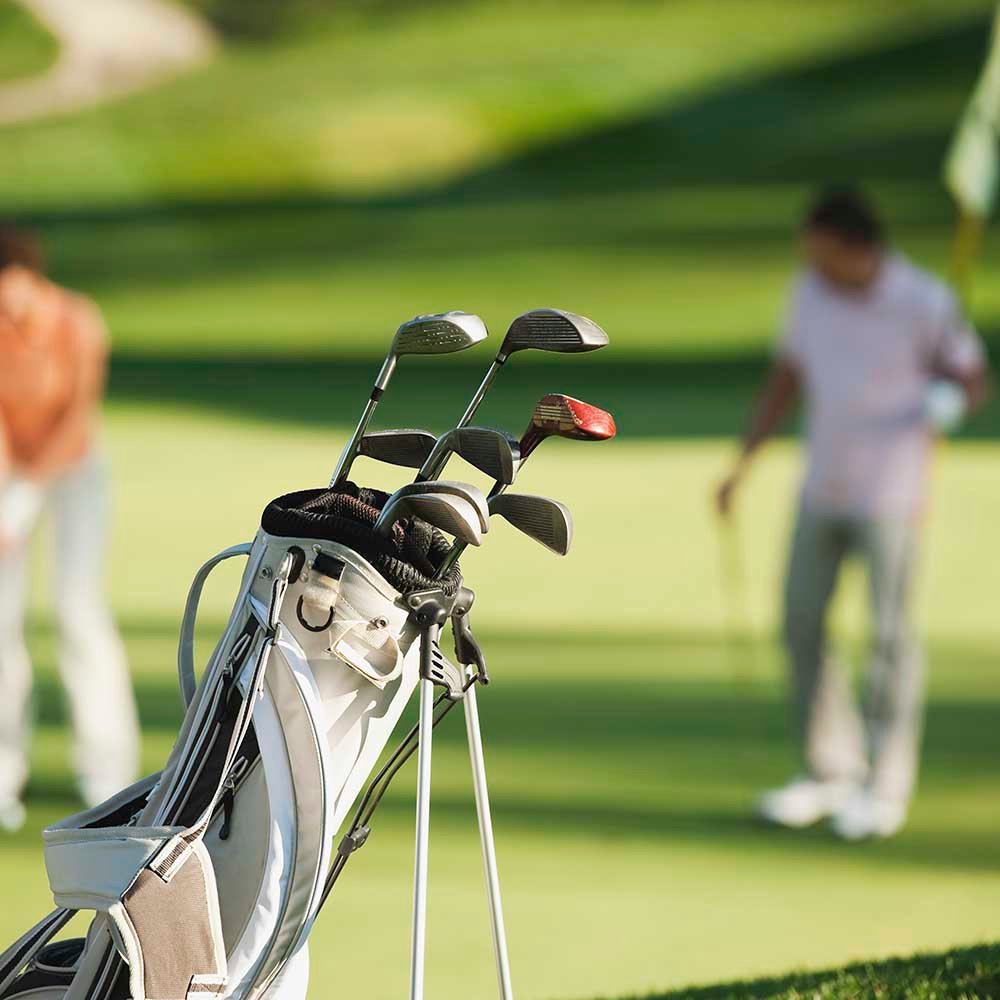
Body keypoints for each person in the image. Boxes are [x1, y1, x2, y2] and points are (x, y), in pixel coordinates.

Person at [715, 189, 989, 841]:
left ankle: (884, 786)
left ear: (858, 248)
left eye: (822, 253)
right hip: (823, 487)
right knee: (801, 622)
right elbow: (787, 379)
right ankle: (828, 770)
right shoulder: (809, 293)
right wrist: (742, 464)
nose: (813, 265)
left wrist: (950, 401)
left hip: (894, 493)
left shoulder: (924, 300)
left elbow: (972, 376)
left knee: (890, 638)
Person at [0, 223, 139, 830]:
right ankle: (3, 772)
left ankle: (107, 772)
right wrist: (9, 495)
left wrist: (27, 494)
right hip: (10, 473)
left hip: (76, 471)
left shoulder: (79, 321)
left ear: (30, 277)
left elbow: (77, 416)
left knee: (77, 608)